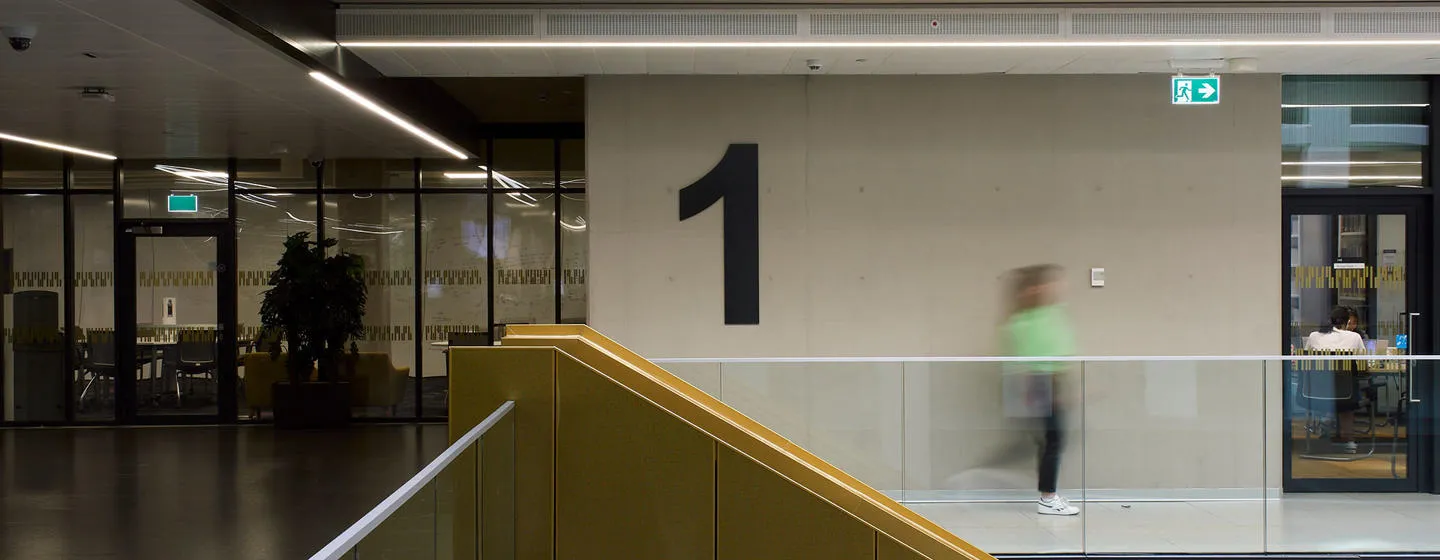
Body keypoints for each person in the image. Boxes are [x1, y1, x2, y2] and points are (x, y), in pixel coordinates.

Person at [1003, 264, 1079, 516]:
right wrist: (1046, 391)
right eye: (1040, 285)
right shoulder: (1023, 321)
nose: (1048, 289)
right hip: (1040, 381)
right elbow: (1030, 360)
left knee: (1052, 439)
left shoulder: (1051, 313)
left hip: (1050, 380)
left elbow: (1060, 352)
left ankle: (1049, 494)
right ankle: (1048, 497)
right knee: (1052, 440)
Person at [1303, 306, 1365, 454]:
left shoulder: (1313, 336)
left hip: (1317, 392)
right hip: (1345, 393)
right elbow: (1364, 364)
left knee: (1338, 391)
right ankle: (1348, 440)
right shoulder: (1354, 337)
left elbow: (1305, 360)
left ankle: (1326, 423)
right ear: (1346, 322)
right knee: (1348, 394)